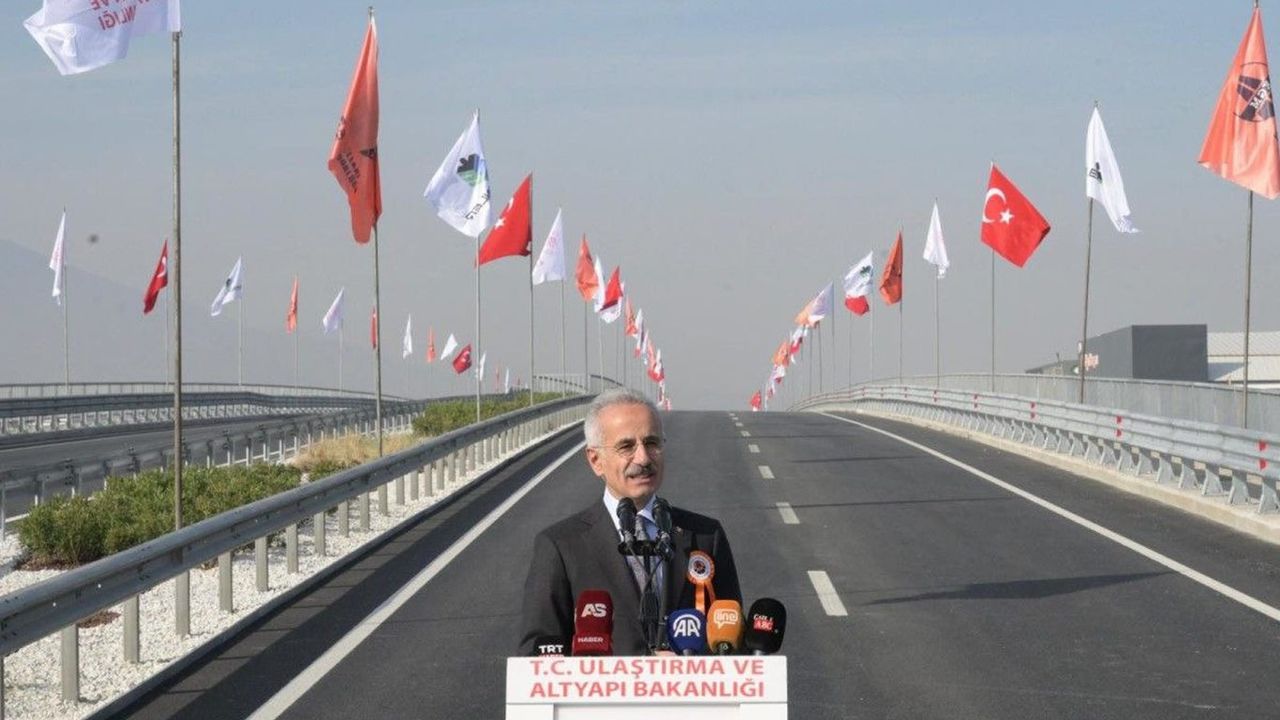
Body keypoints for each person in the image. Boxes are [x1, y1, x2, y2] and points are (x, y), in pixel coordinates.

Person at [518, 388, 741, 656]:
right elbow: (537, 654)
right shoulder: (561, 546)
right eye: (626, 447)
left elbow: (733, 643)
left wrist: (686, 666)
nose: (643, 458)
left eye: (652, 443)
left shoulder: (705, 536)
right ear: (595, 460)